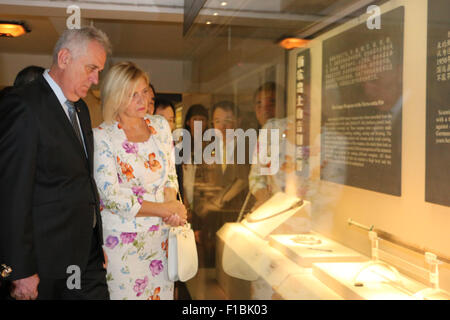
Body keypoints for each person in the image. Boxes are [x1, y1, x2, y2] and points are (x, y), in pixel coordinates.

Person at [0, 26, 112, 300]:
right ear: (64, 58)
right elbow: (11, 192)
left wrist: (94, 241)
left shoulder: (82, 109)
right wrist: (20, 269)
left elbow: (82, 179)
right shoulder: (24, 105)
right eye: (91, 68)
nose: (95, 79)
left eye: (99, 71)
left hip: (85, 256)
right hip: (44, 262)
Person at [93, 61, 187, 300]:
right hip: (122, 243)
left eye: (145, 92)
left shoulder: (159, 126)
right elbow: (112, 197)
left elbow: (170, 175)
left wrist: (172, 208)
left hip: (161, 239)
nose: (142, 100)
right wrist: (165, 209)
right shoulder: (102, 136)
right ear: (115, 96)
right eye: (132, 94)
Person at [195, 101, 250, 267]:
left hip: (237, 218)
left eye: (228, 121)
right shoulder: (207, 148)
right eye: (217, 121)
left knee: (234, 267)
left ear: (238, 121)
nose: (222, 127)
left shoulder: (247, 147)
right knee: (210, 268)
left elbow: (243, 180)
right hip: (209, 221)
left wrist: (217, 202)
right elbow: (198, 186)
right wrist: (197, 223)